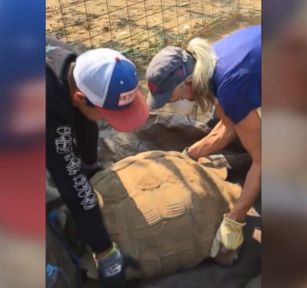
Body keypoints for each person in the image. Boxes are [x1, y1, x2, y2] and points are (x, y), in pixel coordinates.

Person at [145, 25, 261, 257]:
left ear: (189, 84)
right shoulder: (208, 61)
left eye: (172, 98)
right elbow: (228, 127)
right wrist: (188, 156)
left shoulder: (230, 88)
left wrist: (235, 218)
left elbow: (264, 159)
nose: (173, 103)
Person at [46, 38, 149, 287]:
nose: (108, 120)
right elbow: (70, 178)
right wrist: (104, 250)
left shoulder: (78, 66)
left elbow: (86, 121)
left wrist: (91, 167)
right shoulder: (48, 102)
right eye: (107, 113)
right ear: (80, 97)